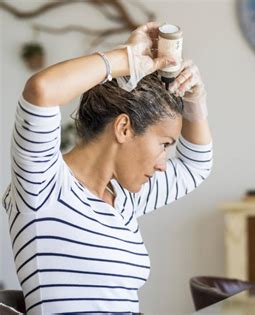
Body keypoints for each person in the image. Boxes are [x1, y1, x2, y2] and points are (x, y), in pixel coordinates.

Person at [1, 22, 212, 314]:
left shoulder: (123, 197)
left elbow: (195, 166)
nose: (164, 164)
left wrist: (195, 101)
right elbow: (41, 90)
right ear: (124, 128)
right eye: (164, 144)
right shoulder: (45, 187)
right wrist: (128, 59)